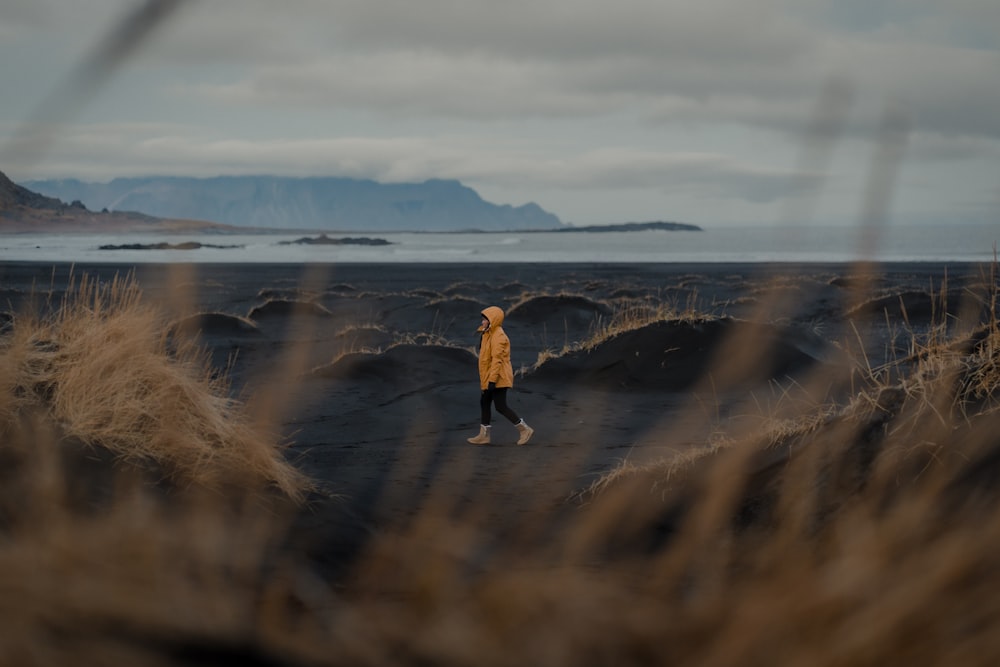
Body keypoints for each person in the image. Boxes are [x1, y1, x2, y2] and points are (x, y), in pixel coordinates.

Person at [467, 306, 534, 445]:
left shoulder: (499, 336)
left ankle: (524, 430)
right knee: (484, 401)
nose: (482, 321)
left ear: (493, 320)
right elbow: (485, 360)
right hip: (490, 376)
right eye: (483, 318)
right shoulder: (488, 333)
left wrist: (491, 381)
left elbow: (497, 360)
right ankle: (484, 435)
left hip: (499, 377)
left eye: (485, 319)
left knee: (500, 406)